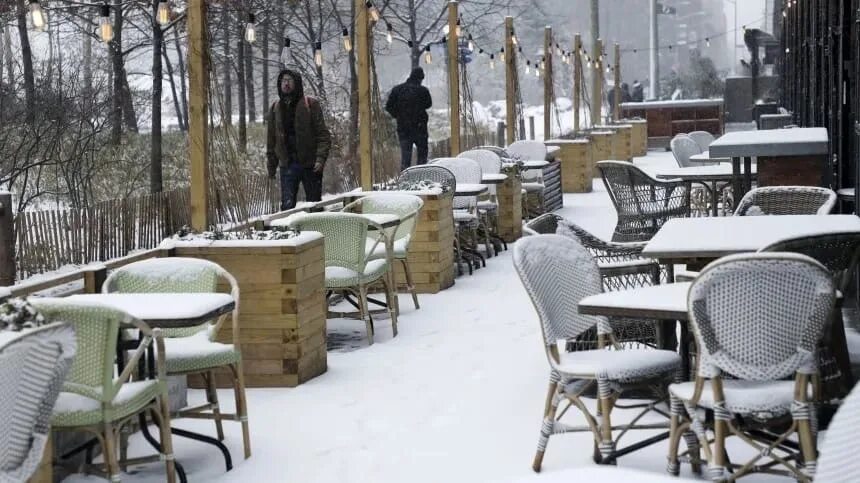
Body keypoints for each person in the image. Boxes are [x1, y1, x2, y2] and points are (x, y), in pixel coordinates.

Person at [267, 69, 331, 211]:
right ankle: (289, 233)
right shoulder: (275, 108)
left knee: (314, 206)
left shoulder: (311, 105)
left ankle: (316, 232)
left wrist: (320, 159)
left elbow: (323, 135)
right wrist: (271, 166)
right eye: (283, 80)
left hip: (310, 165)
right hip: (288, 165)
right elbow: (271, 140)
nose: (286, 83)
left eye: (290, 80)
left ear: (297, 83)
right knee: (287, 208)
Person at [385, 67, 432, 171]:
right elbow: (428, 104)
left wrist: (398, 115)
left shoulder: (398, 90)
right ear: (420, 78)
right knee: (422, 156)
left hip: (404, 128)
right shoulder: (423, 91)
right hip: (420, 128)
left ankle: (405, 179)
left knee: (406, 157)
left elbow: (389, 106)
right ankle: (422, 177)